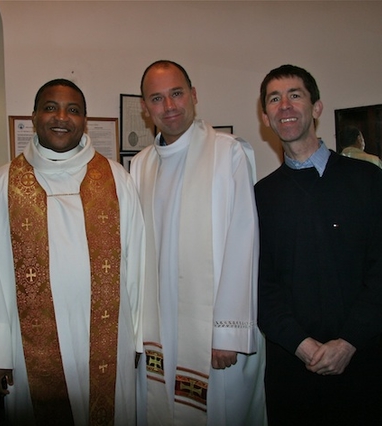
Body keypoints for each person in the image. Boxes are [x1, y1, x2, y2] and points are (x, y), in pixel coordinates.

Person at [0, 78, 145, 425]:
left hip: (110, 341)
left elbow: (139, 263)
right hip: (28, 347)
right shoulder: (3, 183)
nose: (61, 117)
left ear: (85, 121)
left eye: (73, 110)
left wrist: (140, 339)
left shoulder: (116, 178)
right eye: (51, 107)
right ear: (34, 116)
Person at [256, 64, 382, 425]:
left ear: (316, 107)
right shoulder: (260, 196)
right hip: (290, 373)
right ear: (265, 117)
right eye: (274, 99)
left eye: (295, 95)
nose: (285, 105)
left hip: (358, 366)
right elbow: (262, 289)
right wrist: (303, 346)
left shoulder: (366, 180)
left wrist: (347, 343)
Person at [131, 60, 266, 425]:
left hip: (211, 330)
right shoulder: (140, 165)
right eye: (157, 98)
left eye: (177, 93)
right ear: (144, 108)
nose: (169, 106)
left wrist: (228, 332)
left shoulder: (229, 153)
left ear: (194, 95)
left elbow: (243, 243)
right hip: (161, 326)